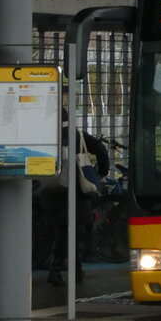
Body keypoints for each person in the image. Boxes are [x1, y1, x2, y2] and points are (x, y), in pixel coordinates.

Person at [43, 116, 110, 287]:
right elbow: (102, 151)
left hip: (52, 190)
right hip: (75, 192)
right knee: (71, 229)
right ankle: (58, 268)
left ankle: (74, 268)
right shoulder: (77, 135)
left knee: (64, 229)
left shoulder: (46, 136)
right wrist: (101, 173)